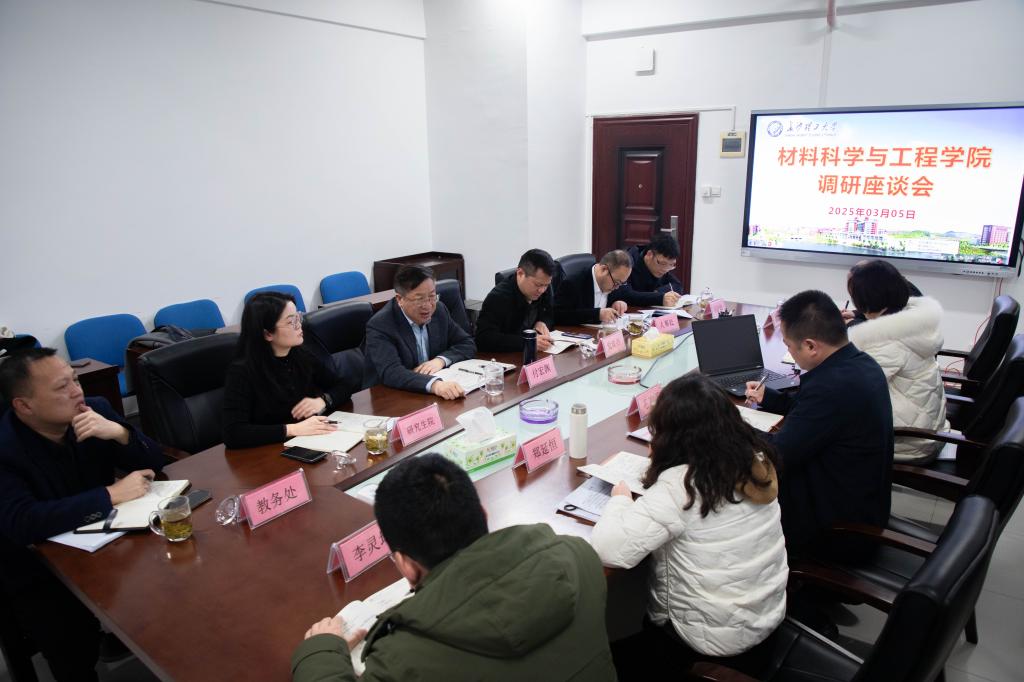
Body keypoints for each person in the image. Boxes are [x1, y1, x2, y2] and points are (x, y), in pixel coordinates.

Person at [292, 454, 616, 681]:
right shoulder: (579, 557)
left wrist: (320, 650)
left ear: (405, 565)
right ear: (484, 514)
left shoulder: (403, 660)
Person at [591, 374, 787, 673]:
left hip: (705, 643)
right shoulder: (754, 461)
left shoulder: (683, 485)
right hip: (765, 622)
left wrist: (620, 499)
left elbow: (609, 550)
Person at [0, 348, 166, 681]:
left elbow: (156, 462)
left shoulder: (95, 410)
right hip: (41, 568)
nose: (77, 391)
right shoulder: (6, 447)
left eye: (75, 380)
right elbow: (22, 522)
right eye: (62, 387)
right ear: (24, 405)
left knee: (171, 585)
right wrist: (109, 495)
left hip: (110, 544)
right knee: (71, 649)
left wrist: (120, 434)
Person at [744, 290, 893, 558]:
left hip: (836, 528)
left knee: (736, 485)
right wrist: (771, 397)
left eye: (789, 346)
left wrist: (728, 425)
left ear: (811, 346)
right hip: (861, 500)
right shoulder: (859, 363)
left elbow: (778, 453)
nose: (789, 351)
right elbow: (813, 413)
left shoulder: (831, 387)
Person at [845, 260, 947, 462]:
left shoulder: (885, 340)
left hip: (909, 443)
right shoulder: (911, 320)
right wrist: (858, 318)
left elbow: (851, 388)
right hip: (928, 427)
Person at [223, 292, 354, 448]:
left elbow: (345, 385)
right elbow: (233, 433)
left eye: (298, 317)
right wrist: (293, 429)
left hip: (308, 441)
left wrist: (323, 401)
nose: (299, 325)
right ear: (267, 333)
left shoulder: (300, 354)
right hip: (268, 452)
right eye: (291, 322)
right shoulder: (242, 371)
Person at [363, 265, 476, 399]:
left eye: (432, 296)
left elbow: (466, 343)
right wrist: (435, 385)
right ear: (400, 299)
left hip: (427, 395)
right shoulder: (381, 325)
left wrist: (440, 360)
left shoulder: (439, 310)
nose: (428, 305)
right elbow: (391, 372)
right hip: (391, 397)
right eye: (419, 299)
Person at [475, 249, 557, 352]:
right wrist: (527, 342)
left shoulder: (543, 285)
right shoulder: (498, 298)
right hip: (506, 357)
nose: (542, 290)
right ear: (520, 273)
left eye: (546, 285)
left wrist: (542, 322)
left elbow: (550, 313)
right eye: (538, 285)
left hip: (536, 354)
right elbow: (483, 338)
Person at [553, 250, 632, 326]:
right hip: (580, 333)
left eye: (621, 283)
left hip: (605, 332)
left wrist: (619, 302)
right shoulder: (573, 283)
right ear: (604, 269)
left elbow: (622, 295)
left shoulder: (614, 279)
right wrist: (597, 314)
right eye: (616, 283)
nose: (617, 287)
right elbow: (557, 315)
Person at [609, 233, 684, 308]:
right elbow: (624, 294)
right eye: (663, 263)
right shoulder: (627, 262)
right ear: (649, 254)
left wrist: (658, 292)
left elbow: (677, 285)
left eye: (671, 264)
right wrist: (659, 298)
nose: (665, 269)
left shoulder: (662, 268)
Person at [841, 259, 922, 327]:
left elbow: (875, 331)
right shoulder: (899, 293)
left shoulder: (889, 330)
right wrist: (855, 314)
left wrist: (851, 324)